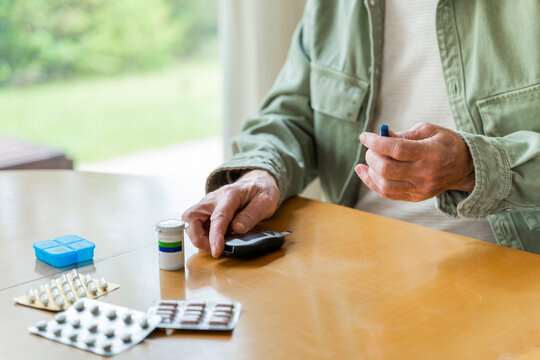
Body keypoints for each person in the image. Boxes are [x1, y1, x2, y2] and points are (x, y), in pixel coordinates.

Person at [182, 0, 540, 258]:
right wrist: (259, 173)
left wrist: (473, 167)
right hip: (353, 267)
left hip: (506, 267)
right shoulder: (332, 8)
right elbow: (292, 114)